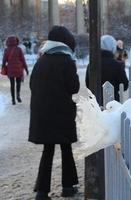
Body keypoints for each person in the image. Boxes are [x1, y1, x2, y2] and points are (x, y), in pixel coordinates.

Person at [29, 26, 80, 200]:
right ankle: (68, 186)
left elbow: (31, 85)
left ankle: (42, 192)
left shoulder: (41, 60)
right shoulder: (66, 61)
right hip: (62, 114)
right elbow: (74, 87)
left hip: (43, 115)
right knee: (66, 150)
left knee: (47, 151)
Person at [85, 35, 128, 199]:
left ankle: (99, 171)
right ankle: (114, 171)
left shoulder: (92, 64)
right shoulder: (117, 65)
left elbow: (88, 83)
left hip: (96, 107)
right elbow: (125, 84)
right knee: (113, 139)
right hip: (113, 108)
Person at [1, 36, 29, 105]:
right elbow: (23, 60)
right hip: (18, 69)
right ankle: (18, 96)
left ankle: (13, 100)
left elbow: (4, 60)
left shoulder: (6, 50)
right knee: (18, 83)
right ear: (16, 41)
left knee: (12, 85)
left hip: (10, 70)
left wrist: (3, 67)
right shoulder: (19, 49)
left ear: (8, 42)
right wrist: (26, 69)